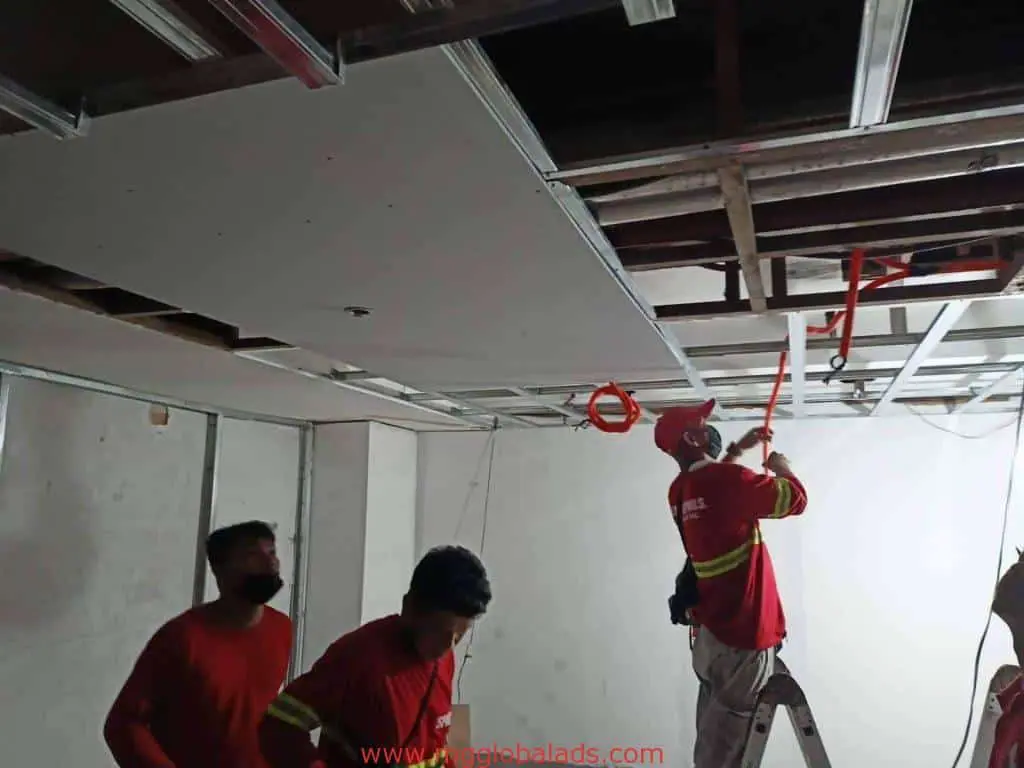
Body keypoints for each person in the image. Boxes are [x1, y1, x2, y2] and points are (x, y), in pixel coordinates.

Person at [654, 399, 808, 768]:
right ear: (692, 437)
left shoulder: (681, 490)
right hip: (742, 636)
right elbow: (795, 499)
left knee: (713, 734)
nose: (710, 428)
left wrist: (739, 449)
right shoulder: (725, 482)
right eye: (702, 425)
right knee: (724, 751)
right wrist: (781, 466)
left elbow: (718, 490)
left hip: (712, 638)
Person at [258, 544, 492, 768]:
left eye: (460, 635)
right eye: (441, 632)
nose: (448, 647)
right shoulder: (359, 657)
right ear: (410, 608)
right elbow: (279, 724)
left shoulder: (441, 659)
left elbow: (433, 742)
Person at [104, 520, 292, 768]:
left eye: (272, 553)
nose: (270, 564)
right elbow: (123, 723)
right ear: (220, 571)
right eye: (251, 556)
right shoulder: (181, 638)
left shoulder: (282, 628)